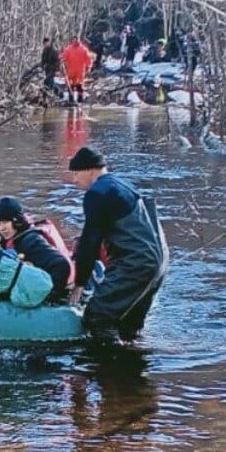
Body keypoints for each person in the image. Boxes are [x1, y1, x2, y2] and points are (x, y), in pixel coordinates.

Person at [65, 145, 168, 341]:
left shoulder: (97, 193)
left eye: (76, 173)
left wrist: (79, 283)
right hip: (159, 263)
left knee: (97, 317)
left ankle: (108, 358)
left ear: (90, 170)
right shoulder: (122, 185)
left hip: (136, 264)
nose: (74, 180)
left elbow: (90, 242)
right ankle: (133, 355)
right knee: (128, 326)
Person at [0, 196, 73, 303]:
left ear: (17, 221)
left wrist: (49, 297)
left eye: (5, 222)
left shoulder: (31, 241)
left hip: (57, 290)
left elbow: (61, 265)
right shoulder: (16, 237)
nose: (1, 228)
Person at [59, 35, 95, 105]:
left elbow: (88, 59)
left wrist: (89, 67)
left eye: (76, 40)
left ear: (78, 40)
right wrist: (61, 58)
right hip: (71, 71)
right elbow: (63, 56)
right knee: (70, 85)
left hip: (80, 71)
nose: (75, 41)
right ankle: (71, 100)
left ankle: (80, 100)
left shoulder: (83, 49)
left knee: (79, 86)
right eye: (74, 40)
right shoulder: (69, 49)